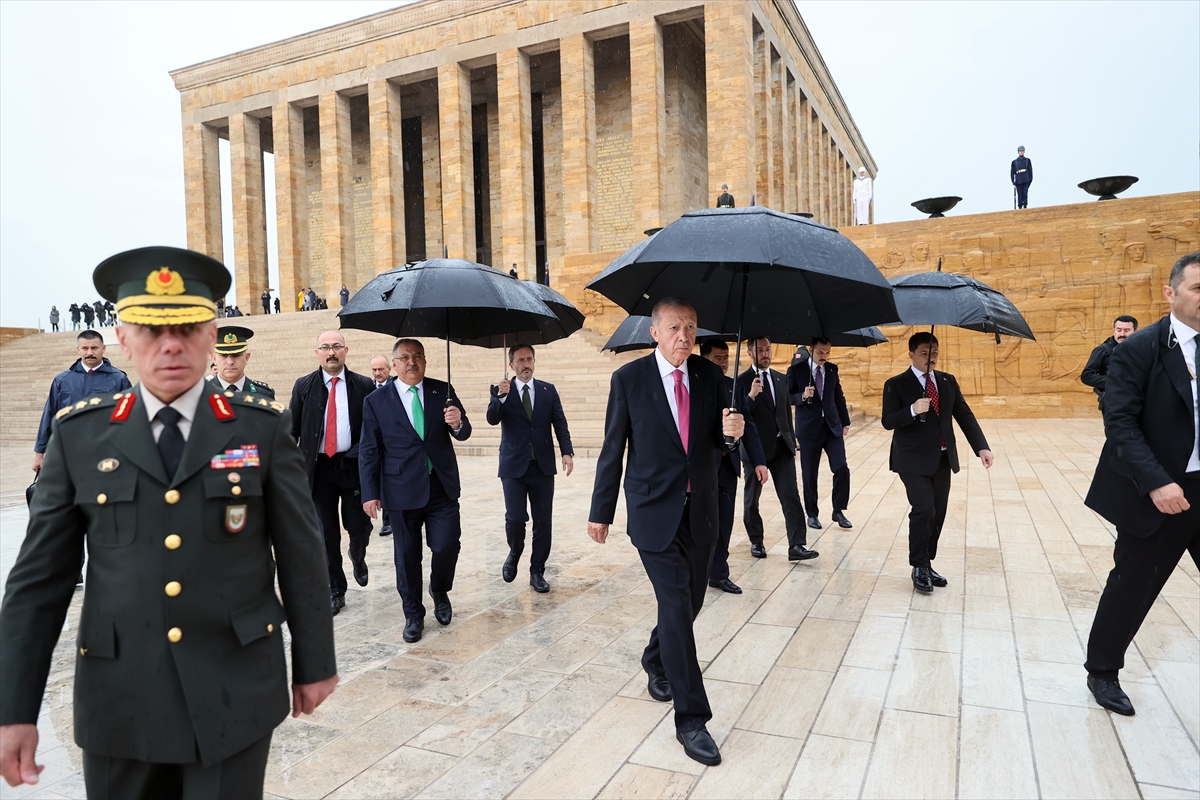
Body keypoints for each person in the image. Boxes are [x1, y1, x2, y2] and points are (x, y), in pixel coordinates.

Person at [0, 245, 337, 798]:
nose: (171, 344)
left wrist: (315, 659)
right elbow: (39, 580)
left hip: (234, 687)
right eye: (152, 330)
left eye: (187, 328)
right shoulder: (80, 435)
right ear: (123, 338)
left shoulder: (261, 428)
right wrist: (13, 706)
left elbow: (300, 551)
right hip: (119, 698)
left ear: (211, 336)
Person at [588, 298, 746, 767]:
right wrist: (601, 511)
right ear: (654, 332)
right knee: (676, 605)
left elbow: (717, 443)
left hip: (701, 513)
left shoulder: (710, 376)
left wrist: (732, 433)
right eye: (675, 327)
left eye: (691, 328)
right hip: (653, 514)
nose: (684, 336)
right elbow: (613, 449)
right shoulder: (628, 380)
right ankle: (691, 719)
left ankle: (655, 658)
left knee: (689, 604)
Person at [1083, 252, 1200, 716]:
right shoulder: (1141, 348)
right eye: (1198, 288)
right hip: (1158, 493)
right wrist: (1156, 482)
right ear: (1171, 293)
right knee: (1133, 584)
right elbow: (1121, 423)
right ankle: (1102, 670)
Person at [359, 338, 472, 643]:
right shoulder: (376, 401)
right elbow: (369, 450)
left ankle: (440, 589)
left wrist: (458, 423)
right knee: (407, 556)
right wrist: (370, 492)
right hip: (400, 489)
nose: (412, 362)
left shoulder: (442, 391)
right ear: (394, 364)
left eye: (418, 356)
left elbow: (464, 431)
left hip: (441, 486)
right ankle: (413, 614)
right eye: (405, 357)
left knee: (447, 545)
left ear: (425, 360)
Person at [882, 332, 994, 593]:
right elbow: (888, 421)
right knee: (924, 509)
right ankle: (919, 566)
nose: (930, 358)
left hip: (942, 458)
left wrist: (981, 446)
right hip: (911, 459)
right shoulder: (896, 384)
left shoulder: (947, 381)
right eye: (924, 353)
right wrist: (912, 410)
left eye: (934, 353)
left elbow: (964, 414)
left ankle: (927, 562)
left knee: (938, 513)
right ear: (911, 354)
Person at [289, 331, 376, 615]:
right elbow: (292, 431)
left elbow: (373, 430)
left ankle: (358, 555)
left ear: (345, 351)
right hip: (318, 470)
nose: (331, 352)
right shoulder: (303, 386)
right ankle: (335, 589)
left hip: (353, 467)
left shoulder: (364, 385)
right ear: (317, 352)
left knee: (359, 527)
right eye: (325, 347)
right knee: (325, 534)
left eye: (336, 347)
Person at [486, 344, 574, 593]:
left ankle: (537, 570)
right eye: (521, 360)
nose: (526, 364)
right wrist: (500, 397)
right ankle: (515, 551)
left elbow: (560, 422)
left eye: (529, 359)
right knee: (515, 518)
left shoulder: (548, 390)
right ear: (511, 364)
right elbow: (492, 418)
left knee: (543, 521)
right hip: (513, 467)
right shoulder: (501, 390)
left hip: (542, 467)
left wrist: (566, 451)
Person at [737, 336, 817, 561]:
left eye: (768, 349)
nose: (765, 354)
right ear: (750, 354)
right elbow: (739, 414)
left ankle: (797, 544)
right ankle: (757, 540)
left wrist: (792, 443)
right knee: (752, 499)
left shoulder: (781, 379)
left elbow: (785, 414)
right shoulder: (741, 381)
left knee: (791, 496)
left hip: (782, 447)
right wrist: (751, 396)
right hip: (755, 451)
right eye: (760, 350)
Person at [700, 340, 767, 594]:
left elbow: (748, 425)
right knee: (701, 521)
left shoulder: (734, 387)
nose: (723, 362)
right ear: (704, 359)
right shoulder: (694, 386)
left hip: (728, 465)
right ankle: (696, 570)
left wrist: (759, 461)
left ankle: (718, 573)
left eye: (726, 357)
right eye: (717, 358)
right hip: (703, 467)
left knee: (724, 521)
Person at [33, 329, 132, 474]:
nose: (90, 352)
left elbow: (131, 417)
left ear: (103, 348)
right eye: (85, 348)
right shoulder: (62, 380)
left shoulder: (119, 379)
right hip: (69, 452)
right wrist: (39, 454)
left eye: (94, 348)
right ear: (78, 349)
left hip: (107, 453)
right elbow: (49, 415)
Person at [789, 338, 853, 530]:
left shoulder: (832, 369)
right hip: (809, 429)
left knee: (841, 467)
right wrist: (802, 396)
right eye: (820, 352)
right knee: (810, 474)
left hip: (832, 427)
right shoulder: (797, 370)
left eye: (827, 352)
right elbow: (786, 397)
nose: (824, 356)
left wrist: (845, 421)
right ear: (811, 350)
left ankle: (838, 510)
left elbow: (838, 396)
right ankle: (812, 514)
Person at [1081, 315, 1138, 411]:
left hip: (1138, 401)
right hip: (1113, 403)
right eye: (1119, 330)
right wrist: (1115, 382)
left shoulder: (1142, 349)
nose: (1122, 334)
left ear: (1135, 331)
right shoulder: (1102, 350)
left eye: (1127, 330)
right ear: (1114, 330)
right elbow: (1086, 376)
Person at [368, 355, 394, 538]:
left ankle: (388, 521)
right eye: (374, 370)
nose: (377, 373)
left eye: (381, 369)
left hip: (391, 443)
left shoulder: (396, 387)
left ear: (389, 369)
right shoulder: (367, 388)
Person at [212, 325, 274, 398]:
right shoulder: (202, 393)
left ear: (247, 357)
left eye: (236, 355)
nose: (230, 362)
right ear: (214, 358)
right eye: (224, 356)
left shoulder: (264, 394)